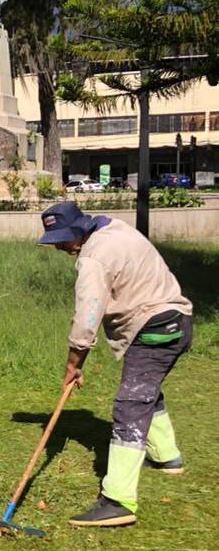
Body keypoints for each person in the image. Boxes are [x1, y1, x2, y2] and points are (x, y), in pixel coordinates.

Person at [38, 200, 192, 528]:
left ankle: (118, 500)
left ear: (79, 230)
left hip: (155, 328)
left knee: (130, 404)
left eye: (63, 240)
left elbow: (87, 317)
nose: (60, 247)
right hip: (176, 321)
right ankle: (167, 457)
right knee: (146, 388)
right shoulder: (115, 229)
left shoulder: (93, 258)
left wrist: (74, 363)